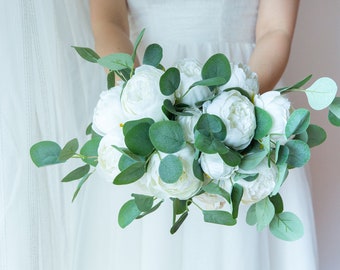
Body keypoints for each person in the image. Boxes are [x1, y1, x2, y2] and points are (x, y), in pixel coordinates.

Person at [74, 0, 318, 270]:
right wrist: (139, 99)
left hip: (247, 92)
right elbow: (108, 22)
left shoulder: (243, 103)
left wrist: (237, 110)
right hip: (148, 94)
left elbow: (276, 29)